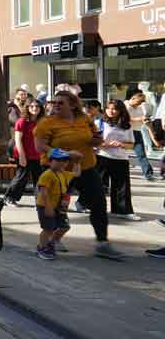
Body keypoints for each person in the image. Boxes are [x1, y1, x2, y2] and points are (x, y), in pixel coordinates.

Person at [34, 89, 128, 260]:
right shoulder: (46, 123)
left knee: (98, 202)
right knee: (54, 206)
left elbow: (95, 136)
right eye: (54, 103)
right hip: (57, 170)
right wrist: (65, 154)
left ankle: (102, 242)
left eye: (60, 103)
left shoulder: (84, 118)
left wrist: (97, 140)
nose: (56, 105)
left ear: (72, 105)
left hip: (85, 167)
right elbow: (40, 147)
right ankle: (49, 241)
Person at [99, 100, 138, 221]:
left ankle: (122, 211)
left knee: (122, 186)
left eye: (114, 109)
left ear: (121, 111)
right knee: (98, 185)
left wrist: (121, 144)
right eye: (108, 108)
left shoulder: (127, 125)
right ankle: (90, 206)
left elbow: (131, 145)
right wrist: (106, 144)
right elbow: (93, 141)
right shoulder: (100, 123)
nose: (111, 111)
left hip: (121, 158)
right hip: (102, 156)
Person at [35, 148, 75, 260]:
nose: (61, 163)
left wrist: (77, 162)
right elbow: (43, 191)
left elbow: (77, 173)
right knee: (48, 228)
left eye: (65, 160)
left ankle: (51, 243)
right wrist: (48, 207)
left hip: (58, 207)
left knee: (64, 226)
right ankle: (41, 248)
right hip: (45, 205)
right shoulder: (47, 175)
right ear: (50, 161)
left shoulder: (63, 173)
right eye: (58, 160)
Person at [4, 99, 44, 205]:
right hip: (23, 154)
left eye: (37, 106)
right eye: (32, 106)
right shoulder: (22, 121)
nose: (35, 108)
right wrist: (22, 156)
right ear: (27, 108)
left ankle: (40, 200)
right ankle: (9, 197)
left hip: (37, 155)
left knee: (40, 179)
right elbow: (18, 140)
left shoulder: (42, 122)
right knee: (21, 177)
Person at [126, 90, 156, 181]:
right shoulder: (125, 105)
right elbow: (125, 118)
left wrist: (146, 121)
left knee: (141, 153)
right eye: (139, 101)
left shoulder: (140, 107)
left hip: (137, 132)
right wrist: (139, 119)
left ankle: (148, 174)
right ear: (133, 98)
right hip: (126, 132)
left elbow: (143, 118)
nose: (140, 103)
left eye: (142, 102)